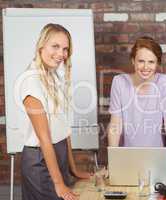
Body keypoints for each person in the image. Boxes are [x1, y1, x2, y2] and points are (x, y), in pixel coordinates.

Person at [19, 23, 90, 200]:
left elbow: (63, 129)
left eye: (65, 49)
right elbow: (44, 139)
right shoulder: (31, 81)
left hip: (58, 156)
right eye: (55, 46)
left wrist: (73, 169)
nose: (61, 54)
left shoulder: (54, 76)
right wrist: (58, 184)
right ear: (42, 46)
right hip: (40, 162)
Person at [107, 36, 166, 167]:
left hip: (157, 159)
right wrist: (112, 164)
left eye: (151, 62)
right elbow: (115, 126)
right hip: (128, 159)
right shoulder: (119, 82)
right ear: (133, 61)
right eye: (141, 61)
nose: (146, 67)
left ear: (157, 63)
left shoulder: (164, 82)